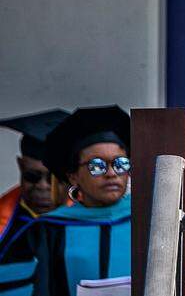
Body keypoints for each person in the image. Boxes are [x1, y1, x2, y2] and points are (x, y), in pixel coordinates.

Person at [29, 106, 131, 296]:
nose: (111, 174)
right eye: (97, 166)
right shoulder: (49, 229)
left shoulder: (150, 221)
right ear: (73, 176)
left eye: (120, 164)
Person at [0, 110, 70, 296]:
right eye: (32, 176)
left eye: (54, 179)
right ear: (21, 166)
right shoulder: (4, 224)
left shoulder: (88, 224)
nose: (42, 186)